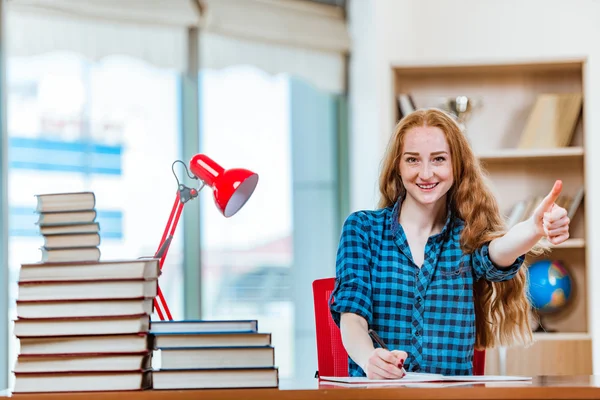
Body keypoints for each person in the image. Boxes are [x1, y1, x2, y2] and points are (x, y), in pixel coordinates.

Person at [329, 108, 570, 379]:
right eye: (413, 160)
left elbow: (496, 253)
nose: (426, 173)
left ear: (457, 166)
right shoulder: (362, 229)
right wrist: (368, 358)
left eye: (439, 159)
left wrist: (533, 228)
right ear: (398, 165)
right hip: (379, 395)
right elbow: (351, 316)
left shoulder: (467, 235)